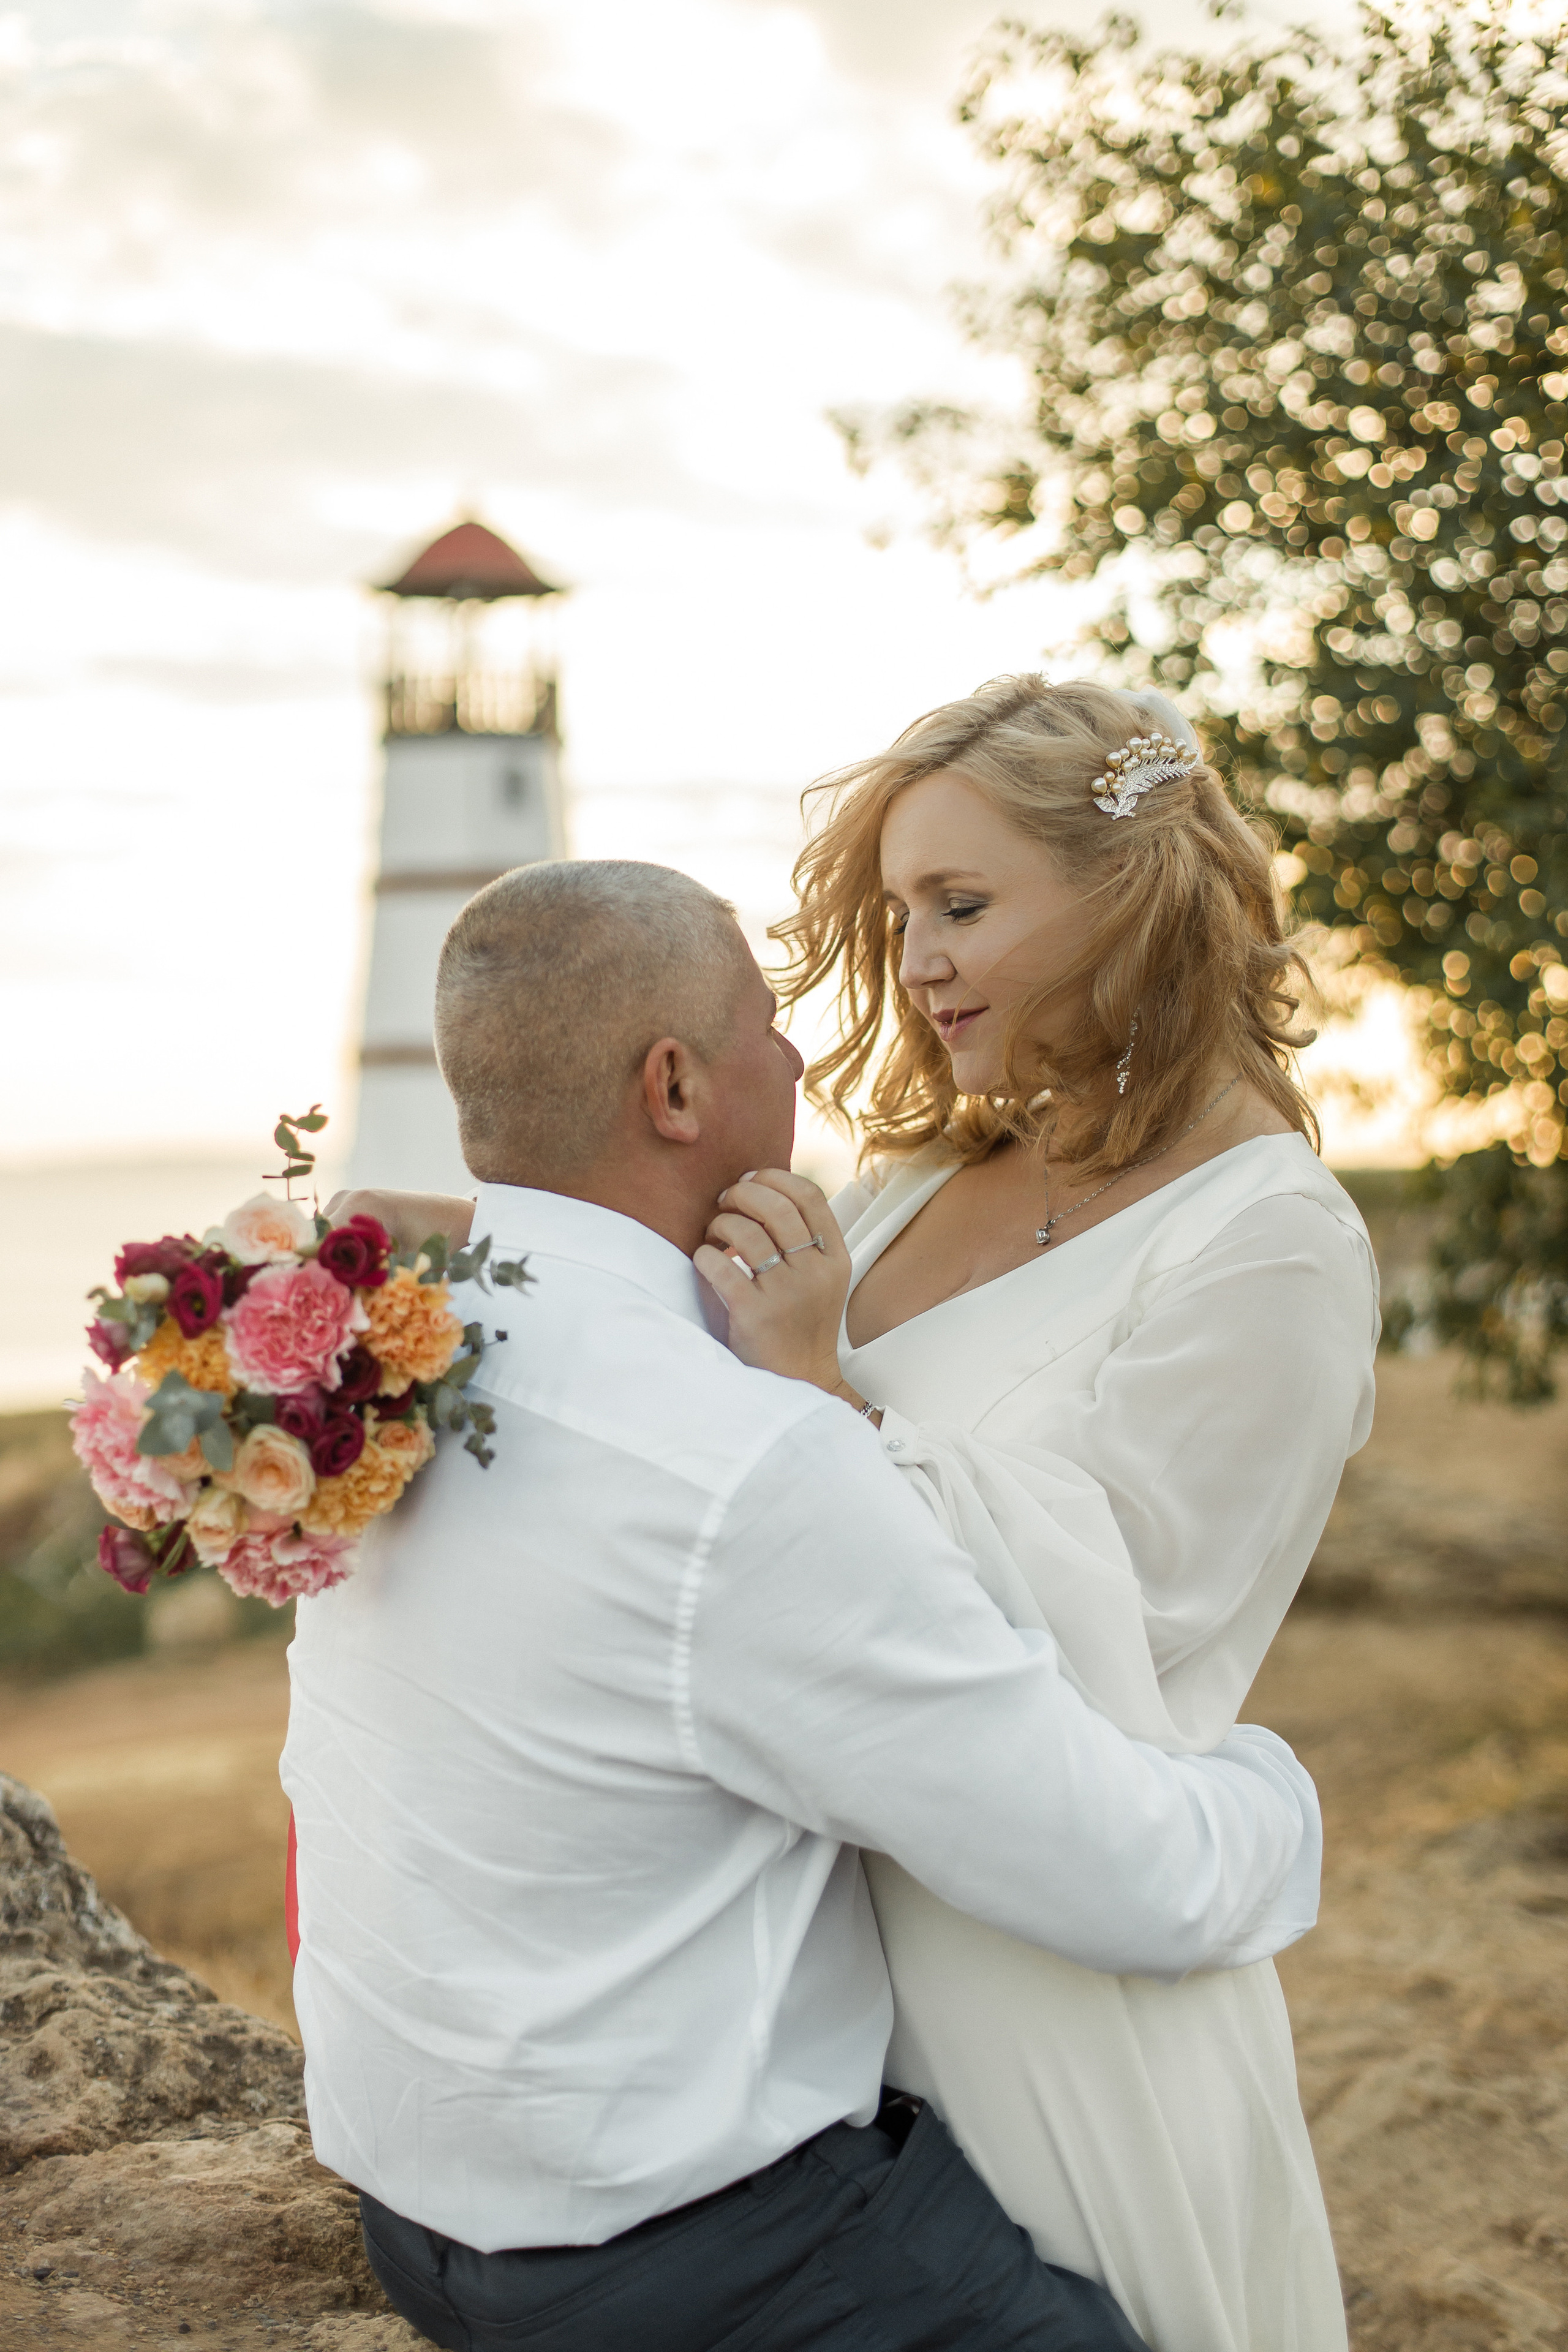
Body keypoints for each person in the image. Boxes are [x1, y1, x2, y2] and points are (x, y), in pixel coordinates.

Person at [293, 857, 1326, 2352]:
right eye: (765, 1021)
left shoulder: (388, 1356)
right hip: (707, 2267)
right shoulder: (742, 1463)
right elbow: (1131, 1881)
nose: (795, 1055)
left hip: (418, 2213)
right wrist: (1273, 1793)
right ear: (671, 1087)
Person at [689, 677, 1377, 2352]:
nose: (914, 958)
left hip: (1052, 1979)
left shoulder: (1269, 1239)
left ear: (1125, 894)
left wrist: (819, 1390)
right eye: (902, 909)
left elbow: (1120, 1621)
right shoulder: (914, 1181)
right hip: (817, 1965)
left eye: (964, 905)